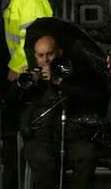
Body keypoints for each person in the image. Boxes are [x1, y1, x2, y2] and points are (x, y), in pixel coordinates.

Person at [15, 35, 107, 189]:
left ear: (60, 52)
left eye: (50, 54)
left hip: (72, 136)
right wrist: (20, 84)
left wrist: (59, 82)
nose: (45, 60)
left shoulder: (73, 73)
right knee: (43, 160)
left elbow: (93, 96)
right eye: (40, 55)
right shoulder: (30, 76)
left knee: (87, 153)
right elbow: (10, 102)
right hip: (41, 139)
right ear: (35, 56)